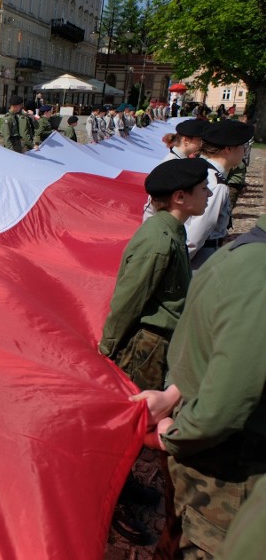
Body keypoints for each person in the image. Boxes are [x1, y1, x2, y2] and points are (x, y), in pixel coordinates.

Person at [132, 214, 266, 558]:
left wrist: (172, 413)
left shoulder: (242, 257)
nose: (207, 195)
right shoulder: (257, 273)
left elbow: (215, 362)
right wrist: (172, 420)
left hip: (221, 470)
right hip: (230, 475)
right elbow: (225, 398)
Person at [99, 158, 212, 546]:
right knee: (132, 428)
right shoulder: (160, 240)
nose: (209, 195)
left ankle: (124, 490)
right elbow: (128, 300)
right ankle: (114, 507)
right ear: (180, 197)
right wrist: (107, 350)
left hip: (158, 342)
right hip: (144, 347)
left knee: (139, 428)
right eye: (202, 190)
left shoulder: (171, 231)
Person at [184, 119, 253, 269]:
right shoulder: (215, 183)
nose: (244, 151)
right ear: (228, 149)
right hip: (198, 258)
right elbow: (196, 234)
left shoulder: (203, 170)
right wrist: (177, 266)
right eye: (242, 146)